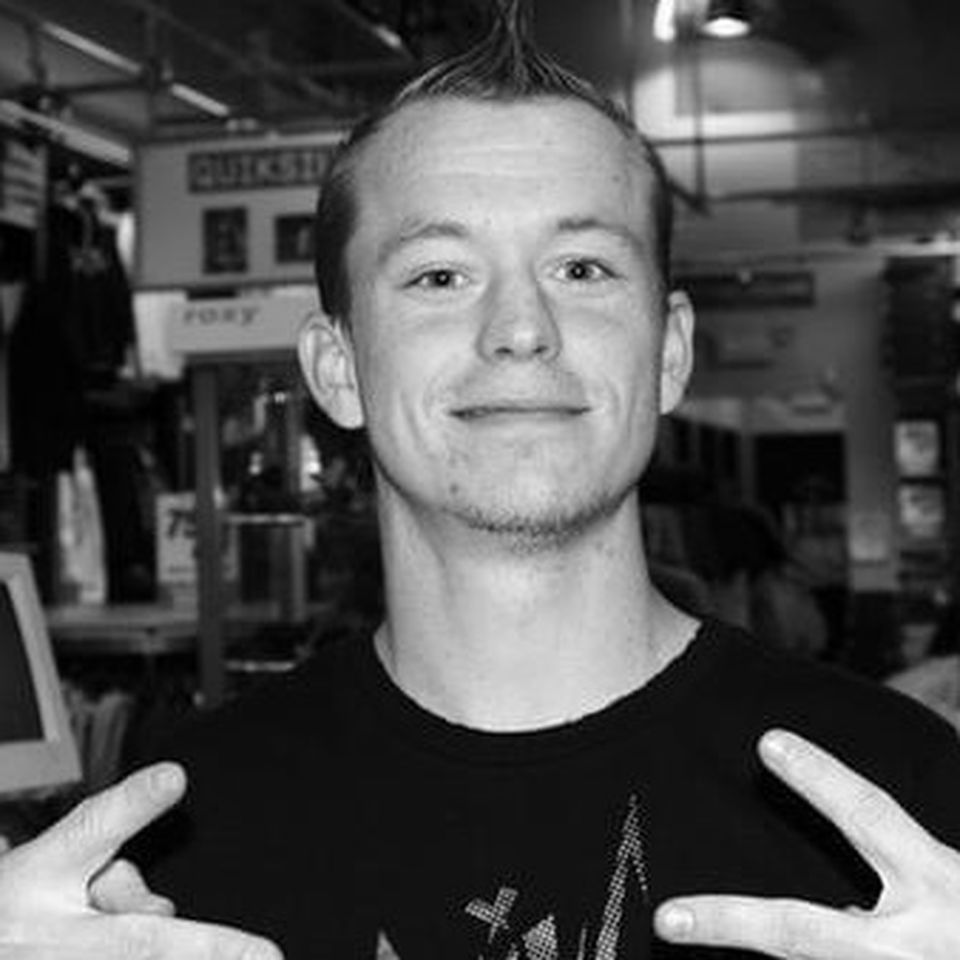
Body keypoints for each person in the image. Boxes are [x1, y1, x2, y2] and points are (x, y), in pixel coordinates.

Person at [3, 4, 960, 958]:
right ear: (337, 370)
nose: (520, 327)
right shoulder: (163, 852)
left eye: (582, 268)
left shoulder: (903, 814)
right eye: (439, 276)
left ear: (669, 353)